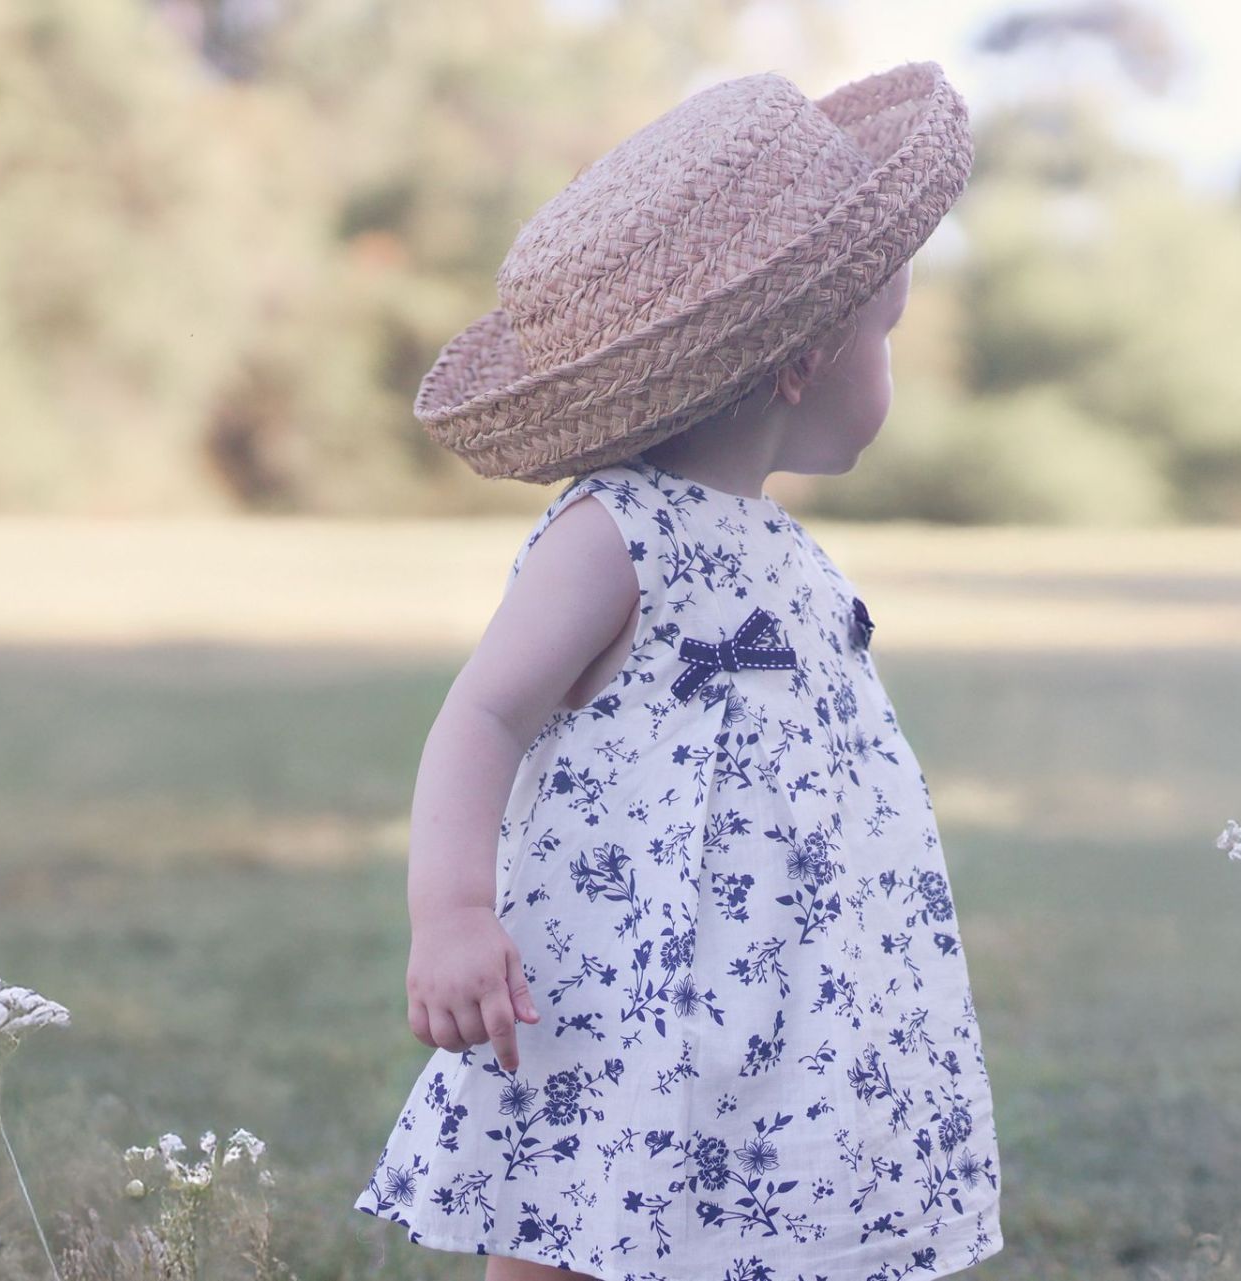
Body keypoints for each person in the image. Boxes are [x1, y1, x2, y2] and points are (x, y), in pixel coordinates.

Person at [353, 61, 1003, 1280]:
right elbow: (485, 713)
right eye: (888, 338)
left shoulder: (790, 554)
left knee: (761, 1218)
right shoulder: (616, 530)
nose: (894, 372)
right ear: (804, 363)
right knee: (576, 1200)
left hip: (790, 985)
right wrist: (449, 913)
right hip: (625, 975)